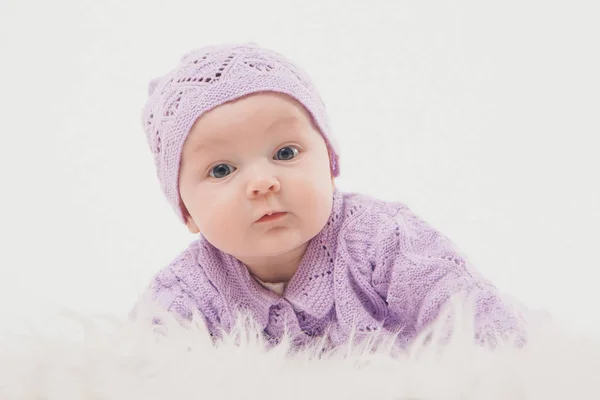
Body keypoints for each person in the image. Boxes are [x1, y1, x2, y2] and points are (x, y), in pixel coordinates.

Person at [133, 42, 524, 349]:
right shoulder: (186, 291)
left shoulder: (383, 239)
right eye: (221, 170)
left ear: (330, 166)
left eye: (285, 153)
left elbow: (471, 315)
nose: (262, 182)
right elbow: (141, 367)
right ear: (187, 211)